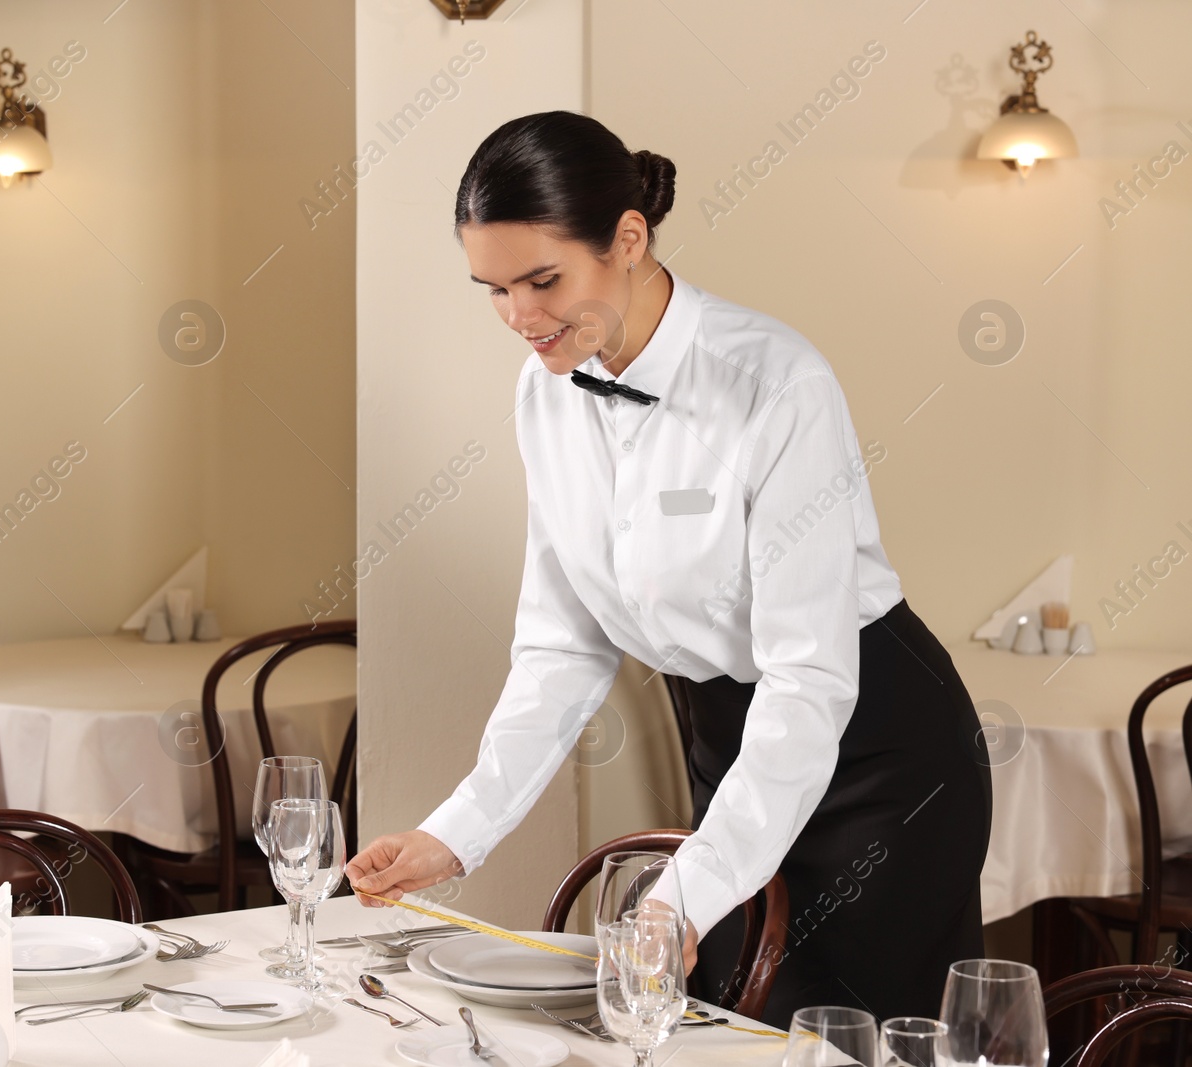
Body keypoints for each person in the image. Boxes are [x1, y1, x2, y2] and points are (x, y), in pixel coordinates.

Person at [343, 110, 992, 1028]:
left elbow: (809, 676)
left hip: (872, 748)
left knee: (837, 1036)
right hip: (729, 742)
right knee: (713, 1025)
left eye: (543, 279)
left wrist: (693, 887)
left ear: (630, 238)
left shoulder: (775, 383)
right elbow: (560, 647)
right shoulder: (546, 390)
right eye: (493, 288)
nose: (521, 317)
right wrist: (456, 832)